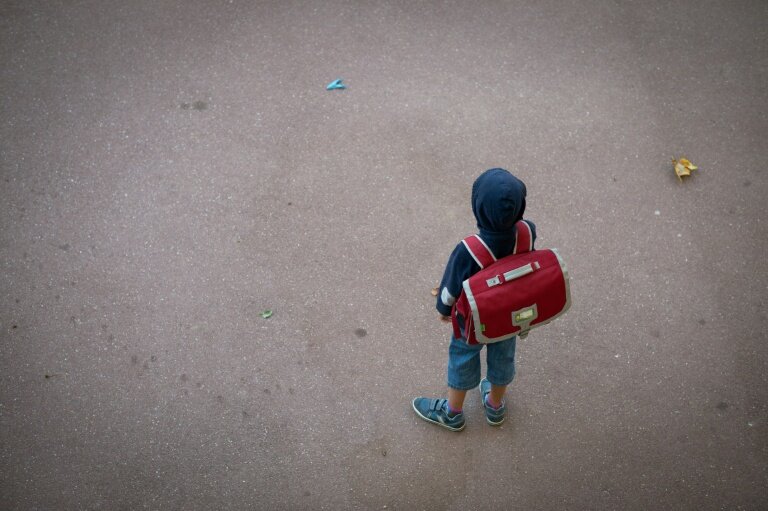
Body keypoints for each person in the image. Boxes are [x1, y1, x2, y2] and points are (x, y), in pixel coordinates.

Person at [412, 168, 535, 431]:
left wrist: (444, 309)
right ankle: (494, 406)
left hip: (472, 321)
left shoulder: (469, 250)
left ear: (478, 209)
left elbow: (450, 288)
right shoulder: (527, 231)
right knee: (503, 357)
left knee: (462, 358)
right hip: (509, 316)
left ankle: (453, 413)